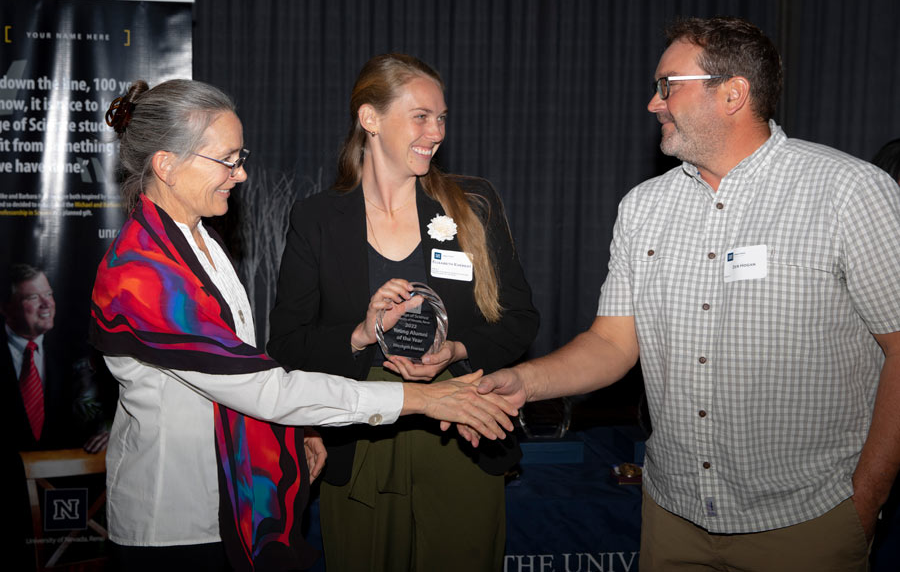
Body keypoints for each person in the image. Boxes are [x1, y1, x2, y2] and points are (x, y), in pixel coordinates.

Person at [478, 17, 900, 571]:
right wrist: (523, 382)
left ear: (733, 93)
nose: (654, 103)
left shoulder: (850, 193)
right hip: (673, 523)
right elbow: (612, 344)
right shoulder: (643, 208)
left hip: (808, 524)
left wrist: (863, 502)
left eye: (667, 85)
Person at [91, 79, 518, 572]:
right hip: (174, 520)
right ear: (167, 164)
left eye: (240, 156)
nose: (242, 173)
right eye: (227, 160)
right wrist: (423, 399)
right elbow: (261, 389)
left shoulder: (197, 239)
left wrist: (304, 426)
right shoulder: (140, 275)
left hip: (224, 501)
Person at [267, 53, 539, 571]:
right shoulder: (318, 219)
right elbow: (286, 347)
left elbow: (521, 319)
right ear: (370, 119)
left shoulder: (472, 205)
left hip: (461, 432)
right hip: (362, 433)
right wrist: (360, 334)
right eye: (420, 116)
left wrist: (456, 349)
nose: (435, 132)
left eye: (441, 118)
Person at [2, 263, 108, 452]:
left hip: (61, 473)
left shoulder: (73, 353)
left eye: (49, 294)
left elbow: (92, 414)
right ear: (6, 308)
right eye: (33, 297)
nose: (47, 304)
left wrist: (107, 433)